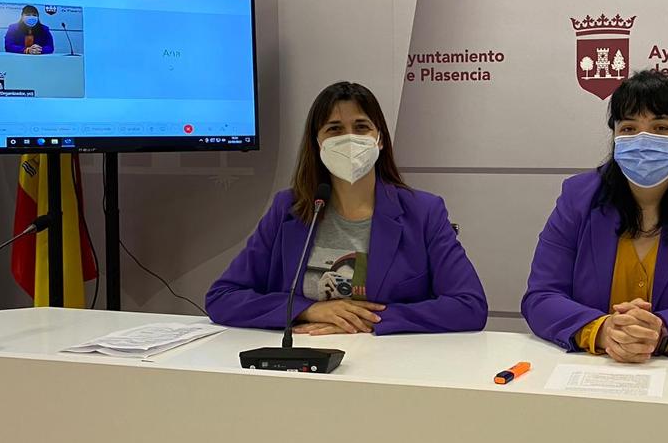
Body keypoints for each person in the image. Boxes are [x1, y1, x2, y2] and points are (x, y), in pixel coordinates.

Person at [207, 81, 488, 335]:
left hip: (389, 363)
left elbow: (469, 306)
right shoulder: (288, 208)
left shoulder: (423, 211)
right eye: (335, 129)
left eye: (361, 127)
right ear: (317, 143)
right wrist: (306, 310)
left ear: (379, 139)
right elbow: (222, 297)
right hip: (303, 359)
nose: (349, 138)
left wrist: (368, 319)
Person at [521, 70, 668, 361]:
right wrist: (603, 330)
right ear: (615, 138)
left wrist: (660, 332)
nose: (644, 139)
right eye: (629, 128)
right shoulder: (578, 197)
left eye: (661, 127)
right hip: (594, 370)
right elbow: (541, 297)